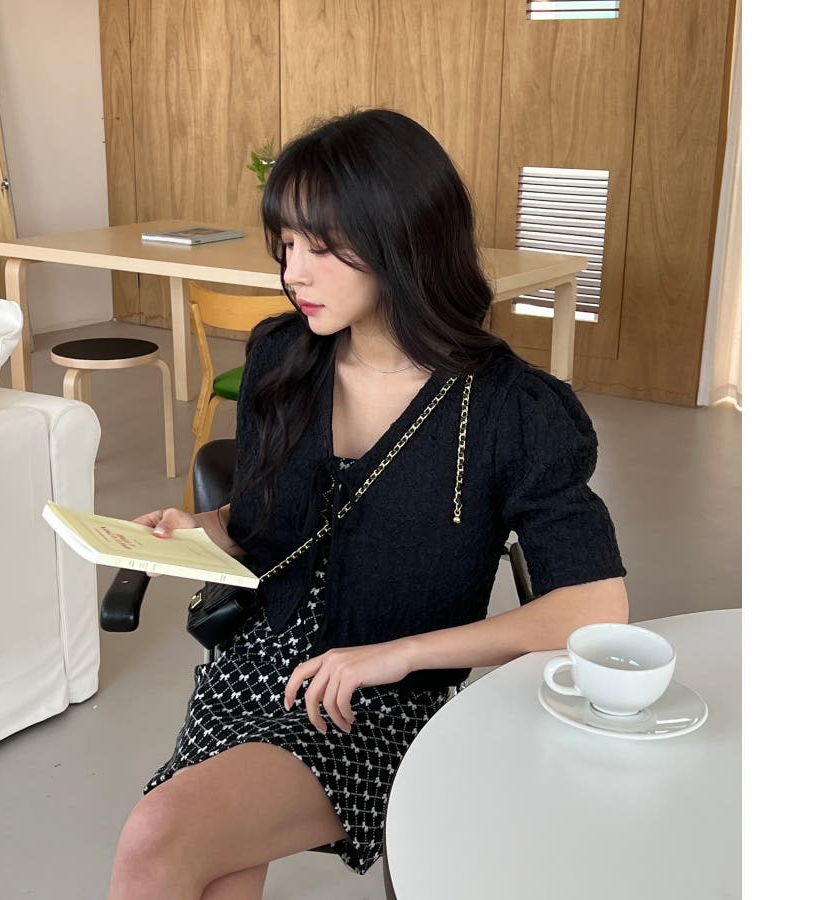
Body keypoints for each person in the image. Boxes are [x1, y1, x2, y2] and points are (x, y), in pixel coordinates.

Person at [106, 108, 628, 900]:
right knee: (204, 854)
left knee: (162, 835)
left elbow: (595, 609)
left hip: (384, 703)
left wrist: (399, 655)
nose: (295, 272)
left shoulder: (514, 411)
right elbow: (258, 521)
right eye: (286, 245)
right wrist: (194, 530)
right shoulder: (283, 357)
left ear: (403, 239)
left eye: (321, 247)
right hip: (255, 666)